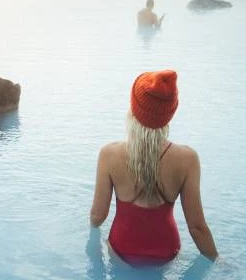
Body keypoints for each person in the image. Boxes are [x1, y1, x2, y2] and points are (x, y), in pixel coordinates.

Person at [90, 70, 218, 265]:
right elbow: (197, 228)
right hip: (166, 253)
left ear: (133, 108)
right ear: (170, 112)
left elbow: (98, 216)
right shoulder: (187, 159)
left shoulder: (109, 154)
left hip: (121, 250)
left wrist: (92, 230)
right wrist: (216, 259)